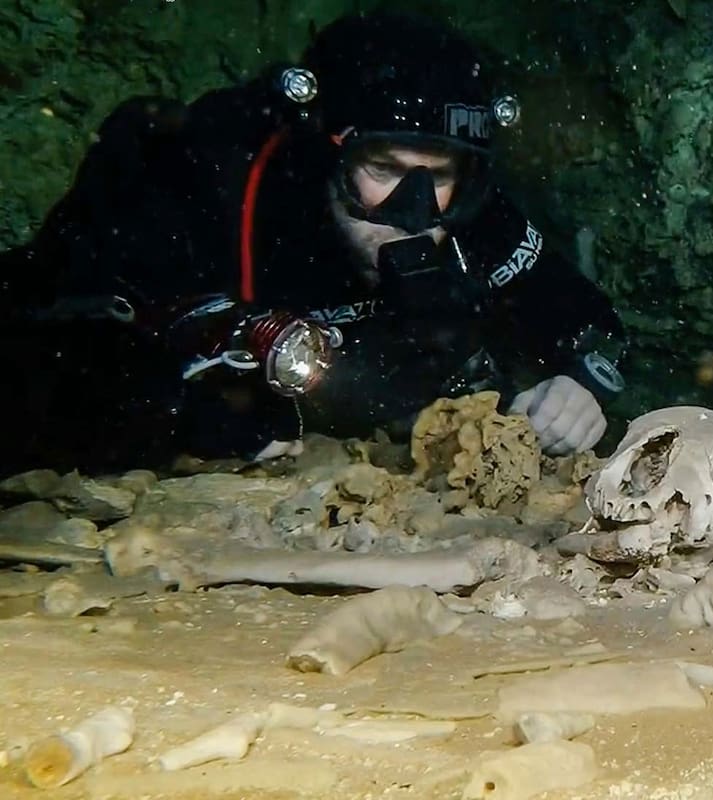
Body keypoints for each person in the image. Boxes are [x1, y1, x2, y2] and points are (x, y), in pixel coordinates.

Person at [0, 10, 627, 475]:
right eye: (381, 168)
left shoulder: (466, 211)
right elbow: (53, 344)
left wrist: (580, 386)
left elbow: (587, 322)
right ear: (325, 154)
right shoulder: (210, 186)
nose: (412, 211)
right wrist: (181, 411)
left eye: (436, 175)